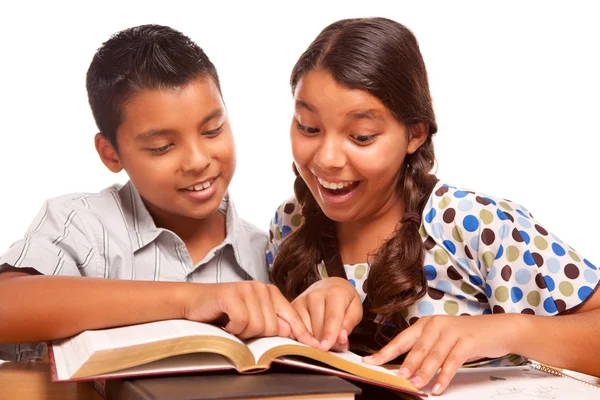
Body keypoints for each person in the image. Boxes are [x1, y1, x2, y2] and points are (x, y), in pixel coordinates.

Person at [268, 17, 600, 395]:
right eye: (308, 127)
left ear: (415, 133)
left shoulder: (473, 225)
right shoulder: (288, 223)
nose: (327, 159)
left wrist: (507, 330)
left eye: (361, 137)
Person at [0, 24, 317, 362]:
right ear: (111, 154)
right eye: (162, 147)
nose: (198, 161)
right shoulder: (83, 226)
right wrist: (189, 300)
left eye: (213, 130)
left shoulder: (265, 251)